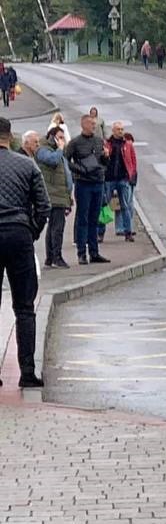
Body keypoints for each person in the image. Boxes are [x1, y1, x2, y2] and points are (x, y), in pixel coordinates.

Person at [0, 116, 51, 388]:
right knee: (24, 307)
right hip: (19, 234)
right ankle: (28, 373)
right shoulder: (27, 164)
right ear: (11, 138)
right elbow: (43, 206)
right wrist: (31, 231)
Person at [66, 114, 109, 265]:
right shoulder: (75, 143)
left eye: (95, 124)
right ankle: (81, 253)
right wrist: (79, 169)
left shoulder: (99, 141)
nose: (94, 126)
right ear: (83, 125)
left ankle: (94, 252)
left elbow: (104, 162)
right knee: (83, 219)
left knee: (94, 219)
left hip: (98, 182)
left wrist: (105, 157)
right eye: (91, 124)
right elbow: (65, 159)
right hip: (83, 184)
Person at [36, 127, 73, 268]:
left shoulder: (58, 151)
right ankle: (55, 257)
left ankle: (51, 257)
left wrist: (69, 194)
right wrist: (60, 149)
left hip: (61, 194)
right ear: (52, 137)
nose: (62, 140)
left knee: (54, 227)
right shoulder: (44, 150)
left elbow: (66, 173)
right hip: (53, 195)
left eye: (63, 137)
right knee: (56, 228)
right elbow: (53, 161)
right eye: (60, 137)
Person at [99, 122, 137, 244]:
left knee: (125, 205)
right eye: (118, 129)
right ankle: (100, 233)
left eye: (122, 129)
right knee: (104, 205)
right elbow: (102, 160)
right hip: (109, 178)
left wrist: (131, 175)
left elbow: (133, 160)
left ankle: (128, 232)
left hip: (123, 178)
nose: (121, 131)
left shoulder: (127, 144)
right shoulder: (107, 143)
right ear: (113, 130)